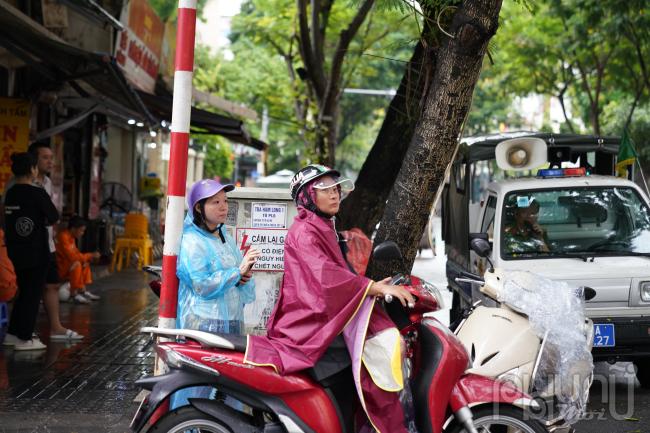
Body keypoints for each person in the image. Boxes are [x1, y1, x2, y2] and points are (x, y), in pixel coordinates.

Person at [245, 165, 416, 433]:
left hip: (323, 318)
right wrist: (371, 288)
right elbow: (325, 280)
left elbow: (339, 274)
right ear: (308, 197)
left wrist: (372, 287)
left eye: (336, 188)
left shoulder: (322, 226)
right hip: (309, 324)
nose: (334, 194)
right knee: (354, 369)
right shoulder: (304, 233)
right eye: (324, 190)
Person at [172, 179, 259, 408]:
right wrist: (236, 273)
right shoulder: (191, 242)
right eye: (215, 202)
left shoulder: (225, 238)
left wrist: (242, 277)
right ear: (199, 207)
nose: (223, 207)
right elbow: (201, 284)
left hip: (229, 324)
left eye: (225, 201)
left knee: (230, 387)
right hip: (203, 326)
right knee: (196, 388)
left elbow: (235, 278)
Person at [2, 153, 59, 350]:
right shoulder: (37, 192)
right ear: (32, 169)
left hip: (15, 250)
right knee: (32, 295)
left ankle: (13, 333)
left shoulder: (10, 193)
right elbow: (53, 216)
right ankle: (24, 338)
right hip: (36, 251)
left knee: (23, 293)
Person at [29, 142, 84, 338]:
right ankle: (23, 330)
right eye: (45, 157)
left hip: (47, 242)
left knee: (51, 284)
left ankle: (56, 327)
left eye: (51, 157)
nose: (50, 161)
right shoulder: (21, 183)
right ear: (33, 160)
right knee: (30, 287)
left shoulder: (47, 182)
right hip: (30, 244)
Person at [55, 215, 101, 304]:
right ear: (73, 229)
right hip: (60, 267)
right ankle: (74, 294)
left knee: (84, 262)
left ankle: (82, 291)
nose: (82, 233)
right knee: (77, 263)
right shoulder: (63, 237)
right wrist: (90, 255)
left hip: (66, 265)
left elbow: (76, 254)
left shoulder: (71, 237)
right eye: (81, 230)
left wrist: (87, 257)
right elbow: (72, 257)